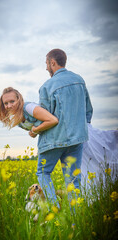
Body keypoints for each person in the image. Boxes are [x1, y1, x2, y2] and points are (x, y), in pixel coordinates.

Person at [35, 48, 93, 206]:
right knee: (73, 181)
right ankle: (75, 222)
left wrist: (34, 130)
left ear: (52, 62)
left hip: (54, 140)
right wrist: (79, 131)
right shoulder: (79, 80)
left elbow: (44, 118)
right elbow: (88, 111)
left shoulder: (47, 86)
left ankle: (54, 207)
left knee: (43, 172)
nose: (46, 68)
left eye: (47, 64)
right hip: (77, 140)